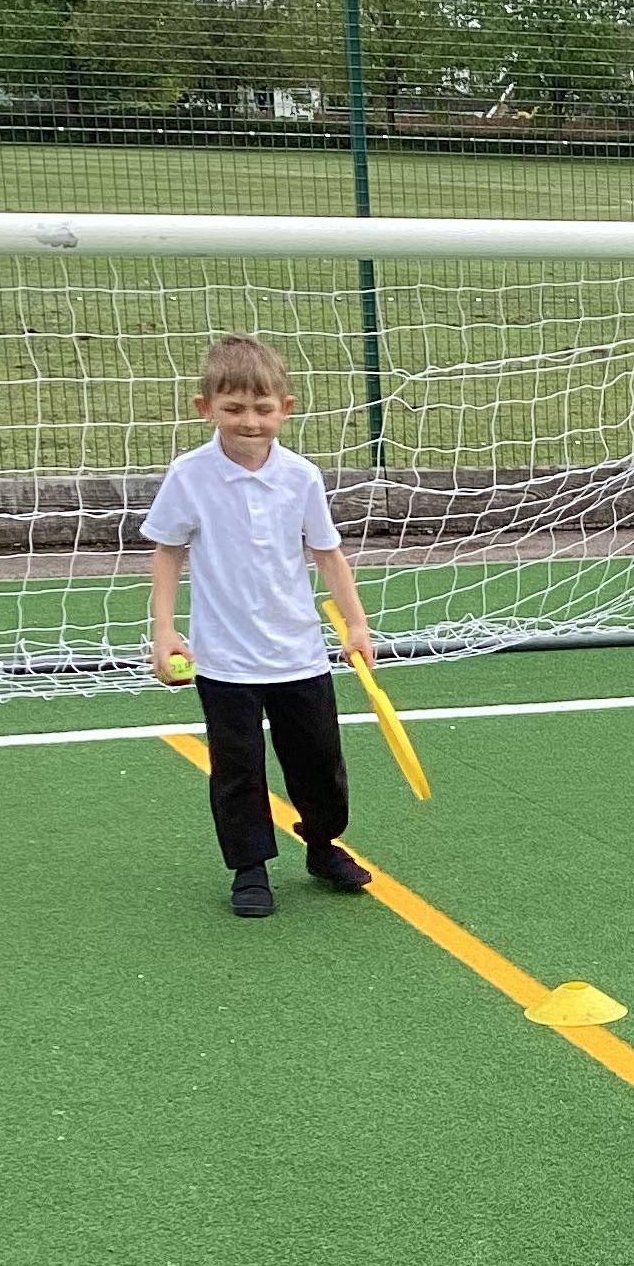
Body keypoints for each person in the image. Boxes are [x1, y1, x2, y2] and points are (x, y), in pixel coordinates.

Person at [143, 335, 376, 919]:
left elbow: (327, 552)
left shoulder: (301, 476)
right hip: (223, 662)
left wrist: (356, 624)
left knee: (319, 763)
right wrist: (164, 631)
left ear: (285, 409)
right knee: (237, 770)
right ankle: (249, 868)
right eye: (234, 408)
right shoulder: (189, 475)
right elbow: (168, 551)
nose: (249, 421)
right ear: (206, 409)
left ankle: (322, 845)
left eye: (262, 408)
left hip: (299, 654)